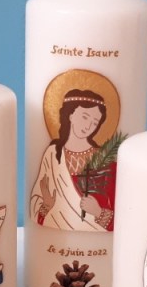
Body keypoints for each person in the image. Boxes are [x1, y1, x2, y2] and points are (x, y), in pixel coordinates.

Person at [29, 89, 115, 231]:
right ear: (70, 115)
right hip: (55, 239)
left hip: (97, 234)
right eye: (85, 117)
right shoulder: (52, 154)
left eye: (95, 123)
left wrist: (98, 212)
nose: (88, 127)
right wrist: (46, 206)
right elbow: (36, 201)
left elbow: (121, 213)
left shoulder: (104, 159)